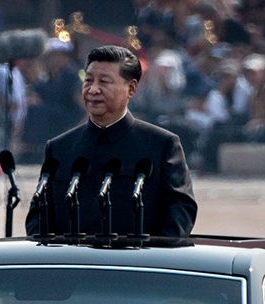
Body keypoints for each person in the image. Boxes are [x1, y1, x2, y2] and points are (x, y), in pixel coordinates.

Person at [25, 45, 197, 238]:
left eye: (104, 82)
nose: (93, 89)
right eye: (88, 80)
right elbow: (38, 219)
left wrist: (151, 256)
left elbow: (181, 213)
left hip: (136, 263)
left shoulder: (161, 145)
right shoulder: (59, 149)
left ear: (131, 89)